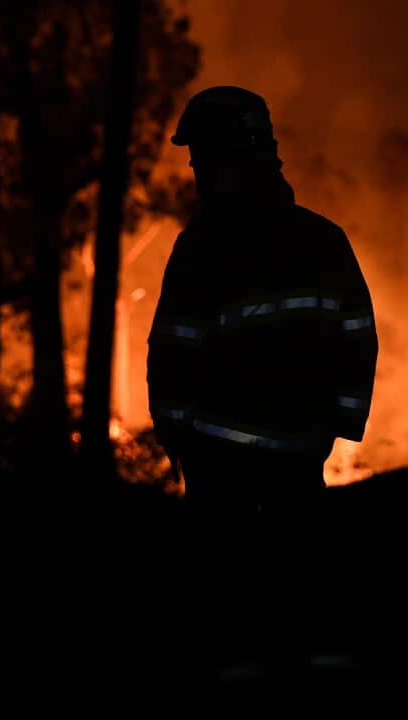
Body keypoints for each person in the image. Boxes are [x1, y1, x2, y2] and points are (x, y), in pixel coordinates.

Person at [146, 86, 378, 675]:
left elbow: (173, 351)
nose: (194, 171)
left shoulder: (202, 248)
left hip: (220, 458)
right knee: (303, 568)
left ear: (226, 156)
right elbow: (359, 337)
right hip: (302, 449)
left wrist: (176, 436)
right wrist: (339, 422)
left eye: (199, 157)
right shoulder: (324, 240)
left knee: (229, 586)